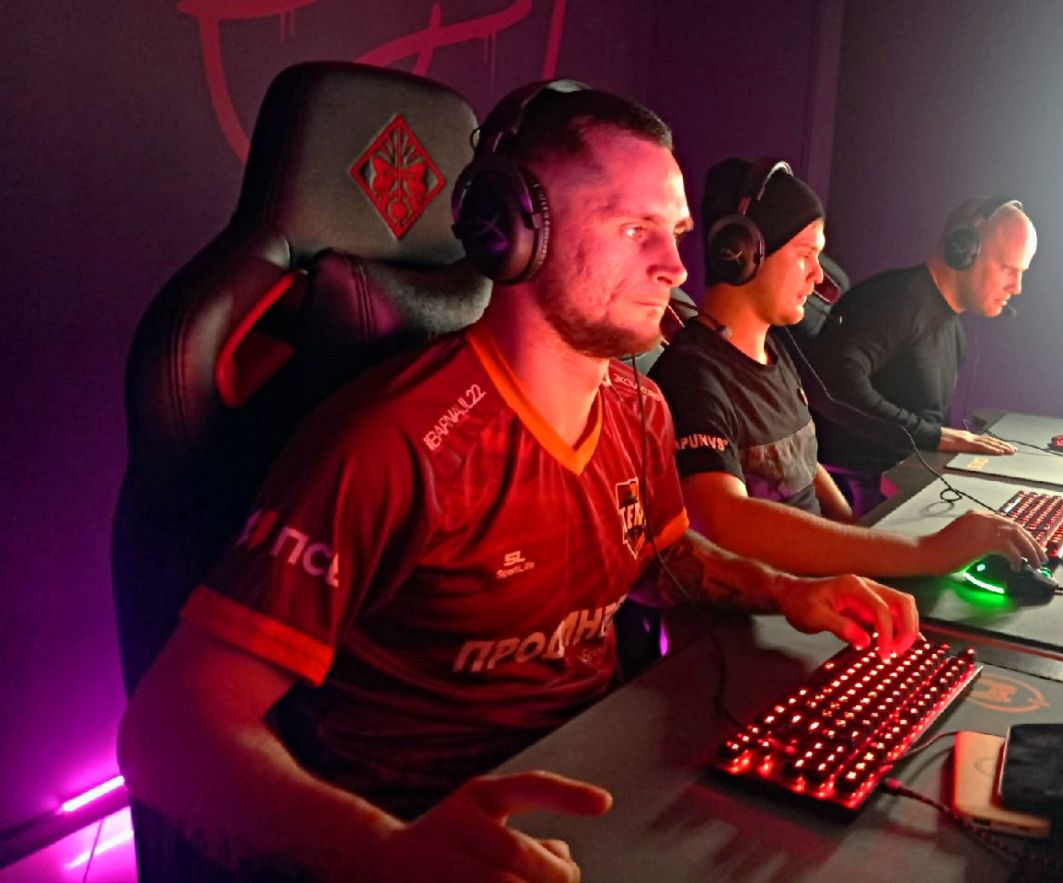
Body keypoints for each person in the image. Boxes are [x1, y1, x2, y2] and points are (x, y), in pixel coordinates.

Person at [117, 84, 921, 883]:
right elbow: (168, 734)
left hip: (599, 793)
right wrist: (379, 848)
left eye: (674, 232)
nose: (676, 266)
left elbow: (664, 563)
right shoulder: (396, 444)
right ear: (515, 233)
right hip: (429, 838)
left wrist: (789, 591)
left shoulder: (639, 407)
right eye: (635, 228)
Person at [648, 159, 1043, 579]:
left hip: (820, 583)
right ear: (740, 254)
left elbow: (801, 462)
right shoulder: (693, 376)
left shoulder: (776, 352)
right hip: (769, 602)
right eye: (805, 254)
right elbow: (725, 520)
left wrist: (858, 533)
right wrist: (921, 552)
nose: (819, 275)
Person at [808, 194, 1038, 513]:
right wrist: (932, 436)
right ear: (963, 250)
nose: (1017, 287)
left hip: (905, 486)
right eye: (1007, 268)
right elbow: (829, 382)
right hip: (860, 501)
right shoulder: (896, 302)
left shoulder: (950, 327)